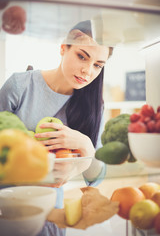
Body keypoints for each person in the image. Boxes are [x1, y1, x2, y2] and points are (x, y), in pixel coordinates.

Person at [0, 20, 113, 235]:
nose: (87, 71)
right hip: (6, 204)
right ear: (63, 48)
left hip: (50, 210)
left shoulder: (93, 106)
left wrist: (86, 146)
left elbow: (96, 177)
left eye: (98, 65)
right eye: (82, 56)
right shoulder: (20, 86)